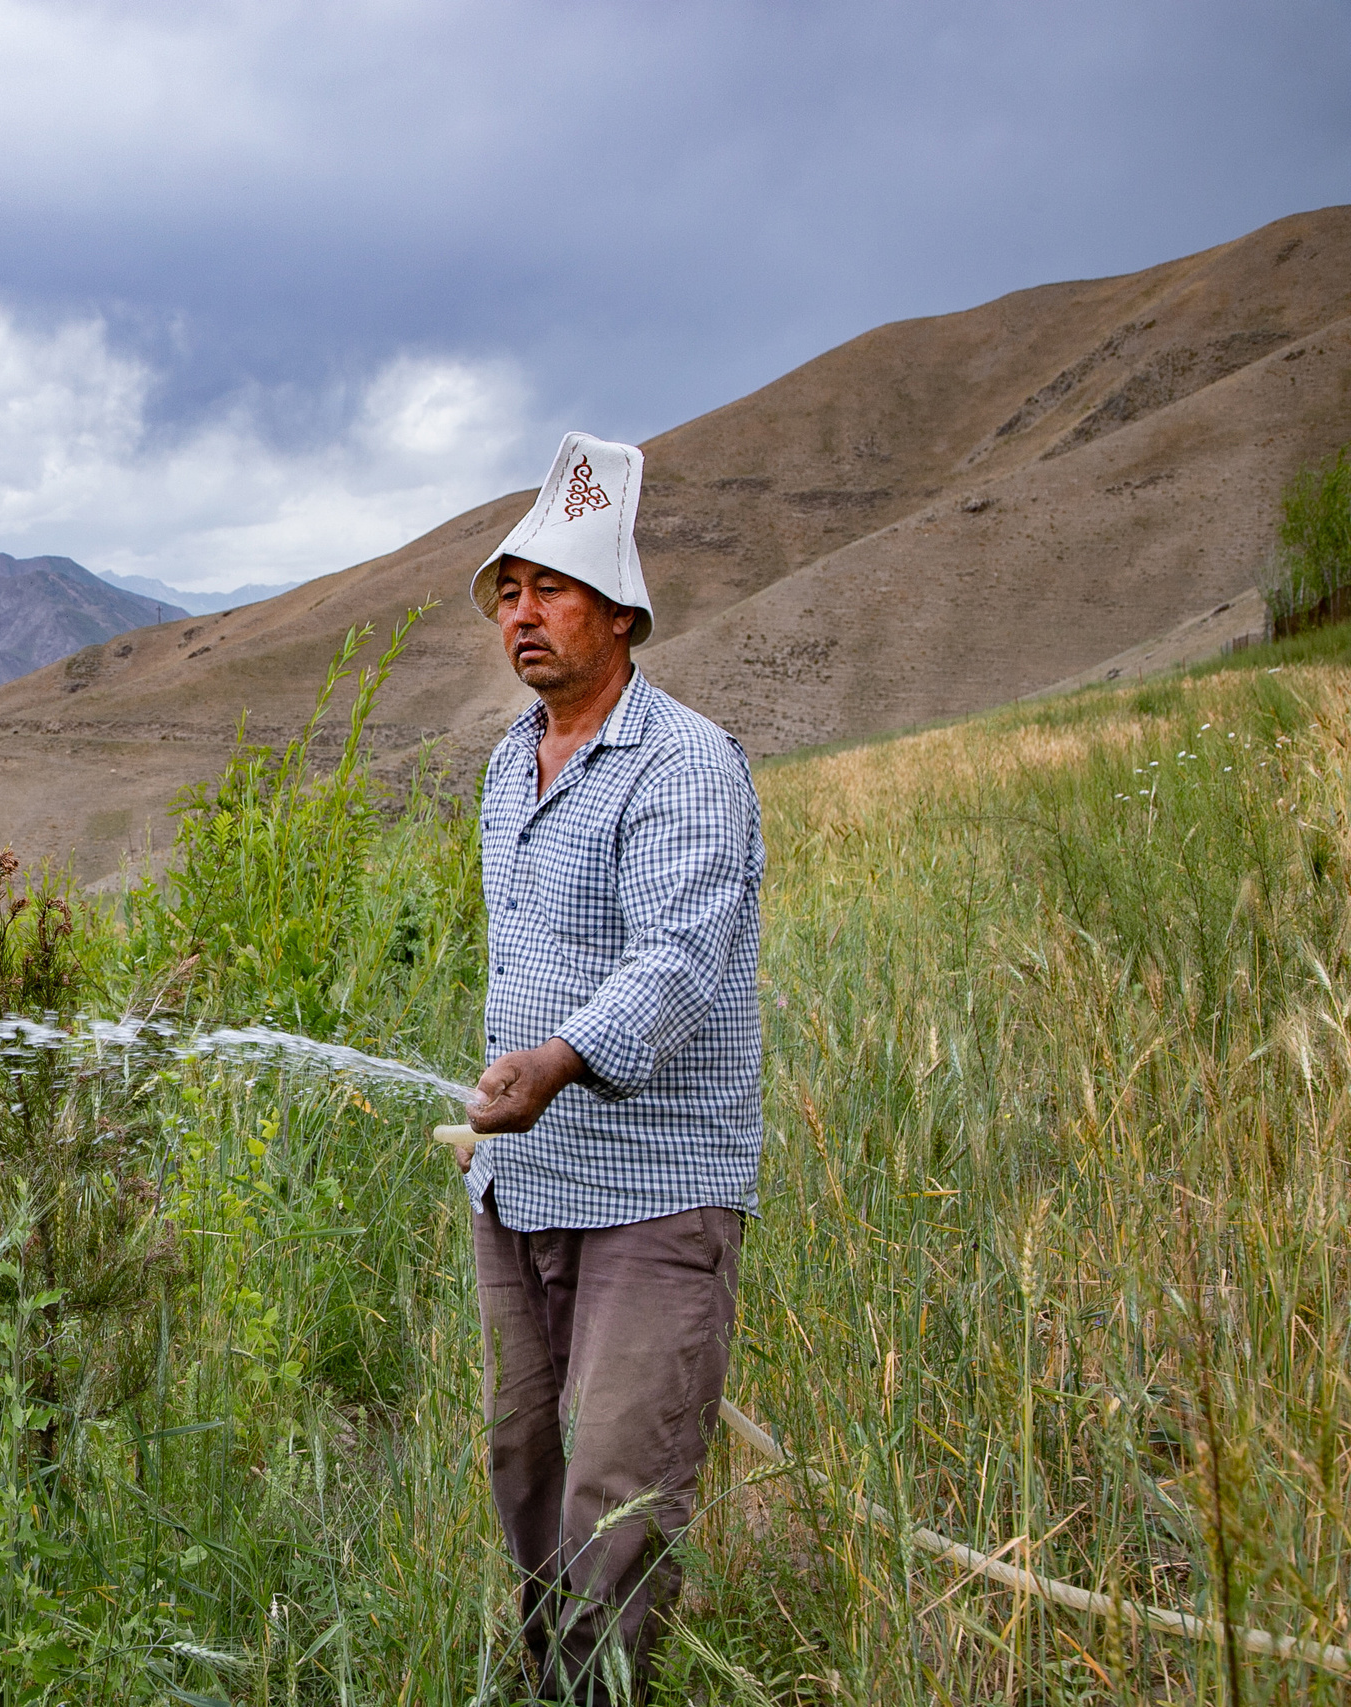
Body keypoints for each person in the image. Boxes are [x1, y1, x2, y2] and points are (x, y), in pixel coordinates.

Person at [455, 431, 765, 1704]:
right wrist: (508, 1096)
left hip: (652, 1188)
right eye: (508, 593)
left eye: (552, 590)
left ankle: (604, 1692)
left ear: (623, 615)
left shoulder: (682, 762)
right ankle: (554, 1689)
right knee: (524, 1457)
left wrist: (556, 1061)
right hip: (518, 1183)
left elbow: (682, 960)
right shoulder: (504, 764)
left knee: (615, 1487)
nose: (524, 617)